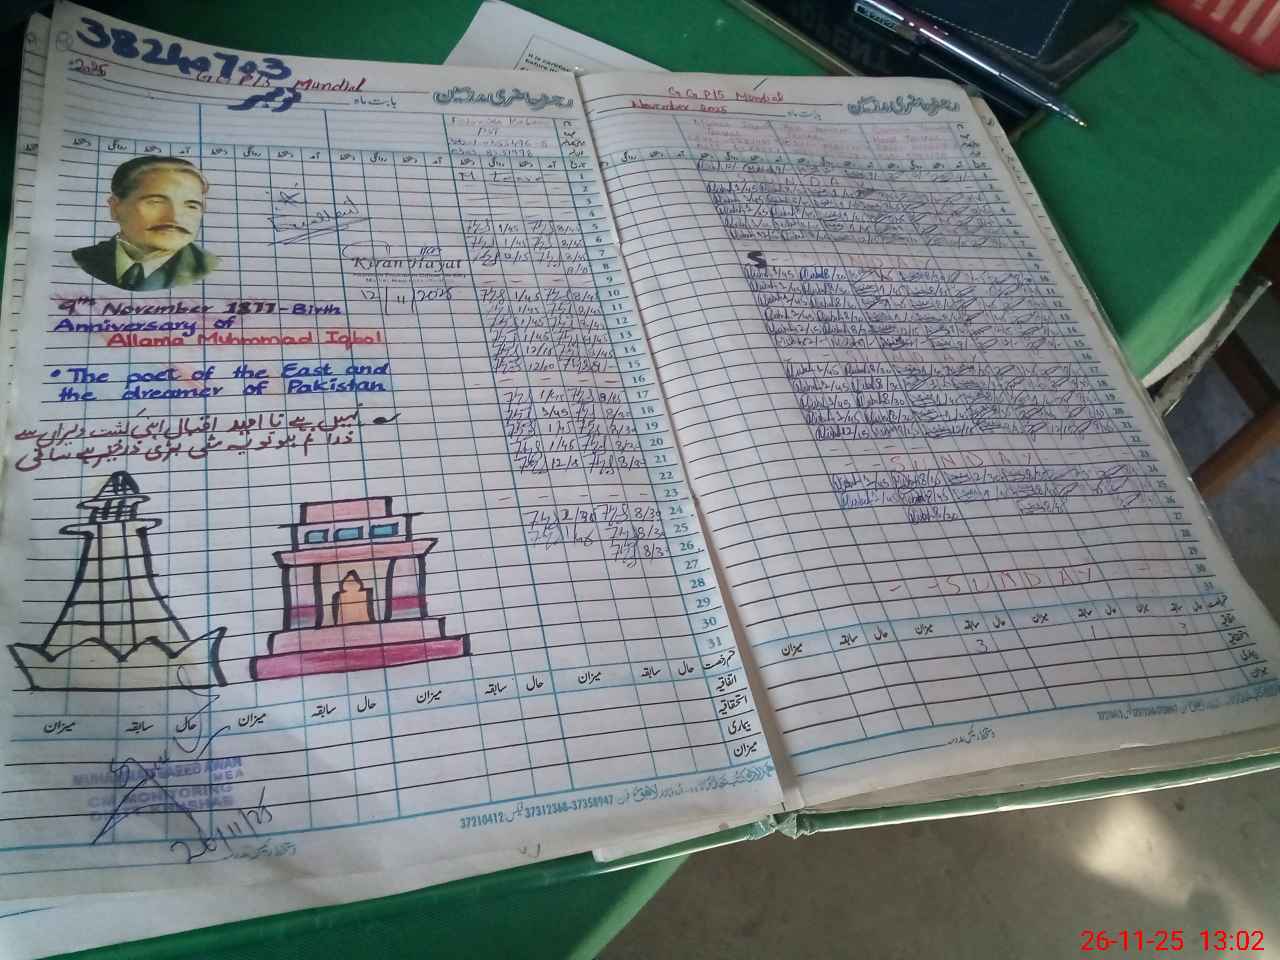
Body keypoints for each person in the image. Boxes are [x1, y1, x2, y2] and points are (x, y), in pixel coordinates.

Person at [72, 156, 218, 291]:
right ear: (115, 208)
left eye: (191, 206)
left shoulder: (210, 269)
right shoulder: (82, 260)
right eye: (155, 202)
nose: (175, 218)